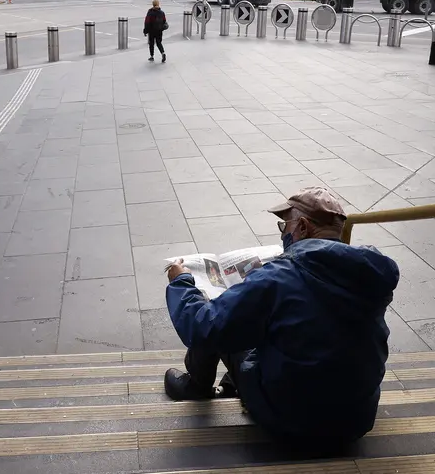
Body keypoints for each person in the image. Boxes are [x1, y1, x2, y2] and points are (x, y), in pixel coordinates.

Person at [163, 187, 399, 447]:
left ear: (303, 227)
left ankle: (197, 387)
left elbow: (200, 326)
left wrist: (181, 282)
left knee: (219, 315)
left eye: (284, 226)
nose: (284, 233)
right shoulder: (370, 272)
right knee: (284, 320)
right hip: (356, 418)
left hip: (291, 420)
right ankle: (234, 384)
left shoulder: (279, 277)